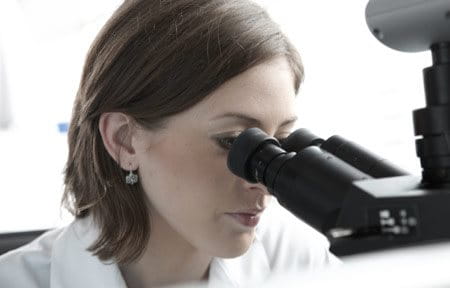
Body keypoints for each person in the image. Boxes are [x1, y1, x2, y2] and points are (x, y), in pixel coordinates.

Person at [0, 0, 339, 287]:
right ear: (125, 141)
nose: (263, 180)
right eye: (234, 141)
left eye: (279, 141)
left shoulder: (299, 262)